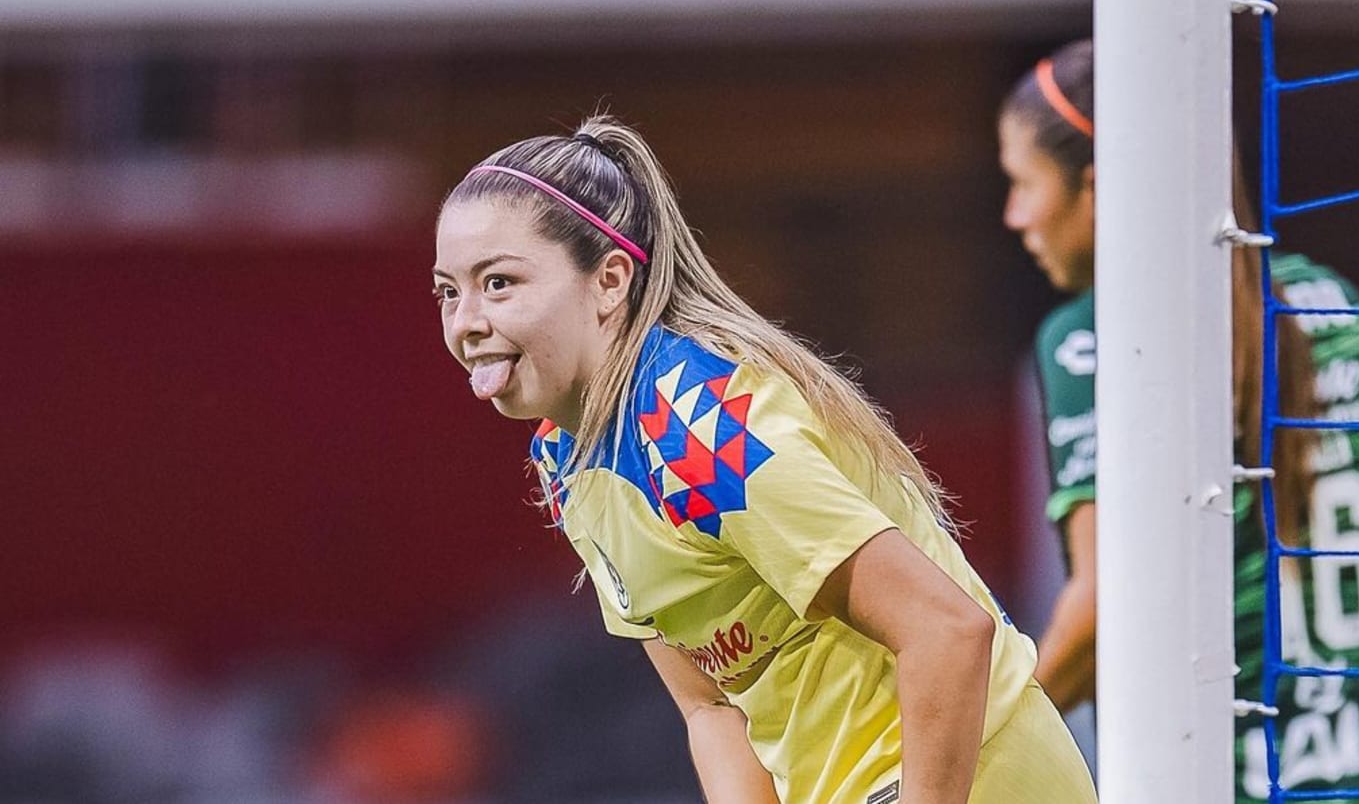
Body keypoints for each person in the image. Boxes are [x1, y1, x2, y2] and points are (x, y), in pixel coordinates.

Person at [432, 116, 1097, 803]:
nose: (465, 322)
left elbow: (948, 630)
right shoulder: (566, 457)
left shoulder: (701, 430)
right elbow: (712, 706)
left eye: (499, 283)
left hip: (964, 775)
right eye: (448, 291)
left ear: (609, 280)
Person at [999, 38, 1359, 801]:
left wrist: (979, 742)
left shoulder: (1091, 340)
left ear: (1097, 186)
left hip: (1238, 784)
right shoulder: (1340, 304)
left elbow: (1101, 609)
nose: (1015, 216)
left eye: (1022, 183)